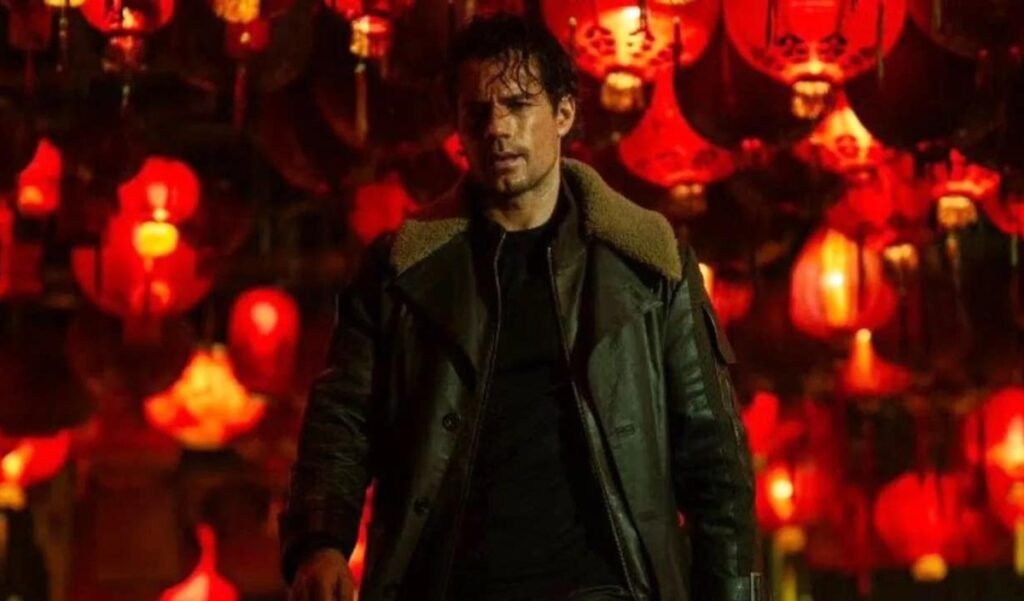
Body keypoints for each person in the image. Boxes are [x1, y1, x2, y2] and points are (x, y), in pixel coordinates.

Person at [279, 13, 758, 601]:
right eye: (477, 112)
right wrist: (320, 540)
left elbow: (714, 459)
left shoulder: (646, 263)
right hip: (449, 583)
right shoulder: (401, 271)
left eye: (518, 105)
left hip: (606, 585)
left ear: (564, 113)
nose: (497, 129)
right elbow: (342, 418)